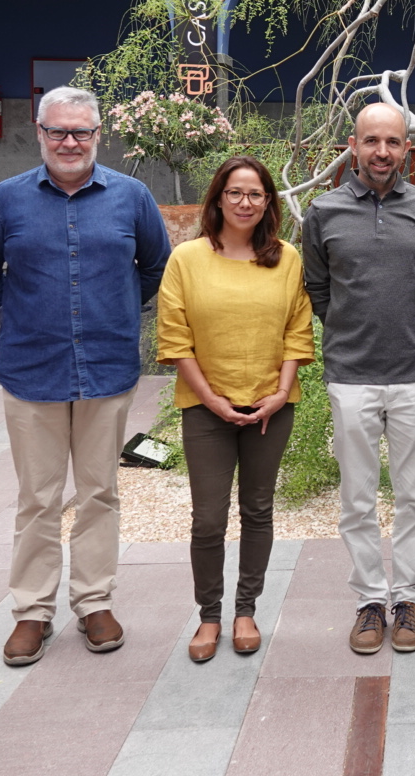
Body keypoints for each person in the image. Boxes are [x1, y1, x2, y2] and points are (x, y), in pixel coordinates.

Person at [0, 85, 172, 666]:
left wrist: (122, 311)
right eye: (58, 131)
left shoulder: (131, 197)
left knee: (101, 492)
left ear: (99, 135)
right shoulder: (6, 200)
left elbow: (156, 266)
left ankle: (94, 601)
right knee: (38, 499)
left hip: (107, 368)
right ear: (40, 133)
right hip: (32, 370)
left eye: (82, 131)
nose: (70, 141)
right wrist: (16, 314)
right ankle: (32, 612)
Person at [303, 104, 415, 656]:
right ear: (354, 145)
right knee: (357, 498)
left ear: (406, 149)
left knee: (414, 496)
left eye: (393, 142)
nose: (382, 152)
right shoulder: (323, 211)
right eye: (372, 141)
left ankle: (407, 596)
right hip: (351, 377)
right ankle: (370, 600)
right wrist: (350, 331)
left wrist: (406, 328)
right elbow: (318, 289)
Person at [157, 156, 313, 662]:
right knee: (207, 519)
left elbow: (297, 329)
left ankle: (246, 609)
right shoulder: (187, 259)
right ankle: (209, 615)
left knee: (258, 509)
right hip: (207, 411)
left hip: (272, 406)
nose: (245, 203)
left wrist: (279, 391)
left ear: (269, 202)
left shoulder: (286, 258)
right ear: (218, 198)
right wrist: (212, 400)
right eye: (236, 193)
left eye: (256, 194)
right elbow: (175, 338)